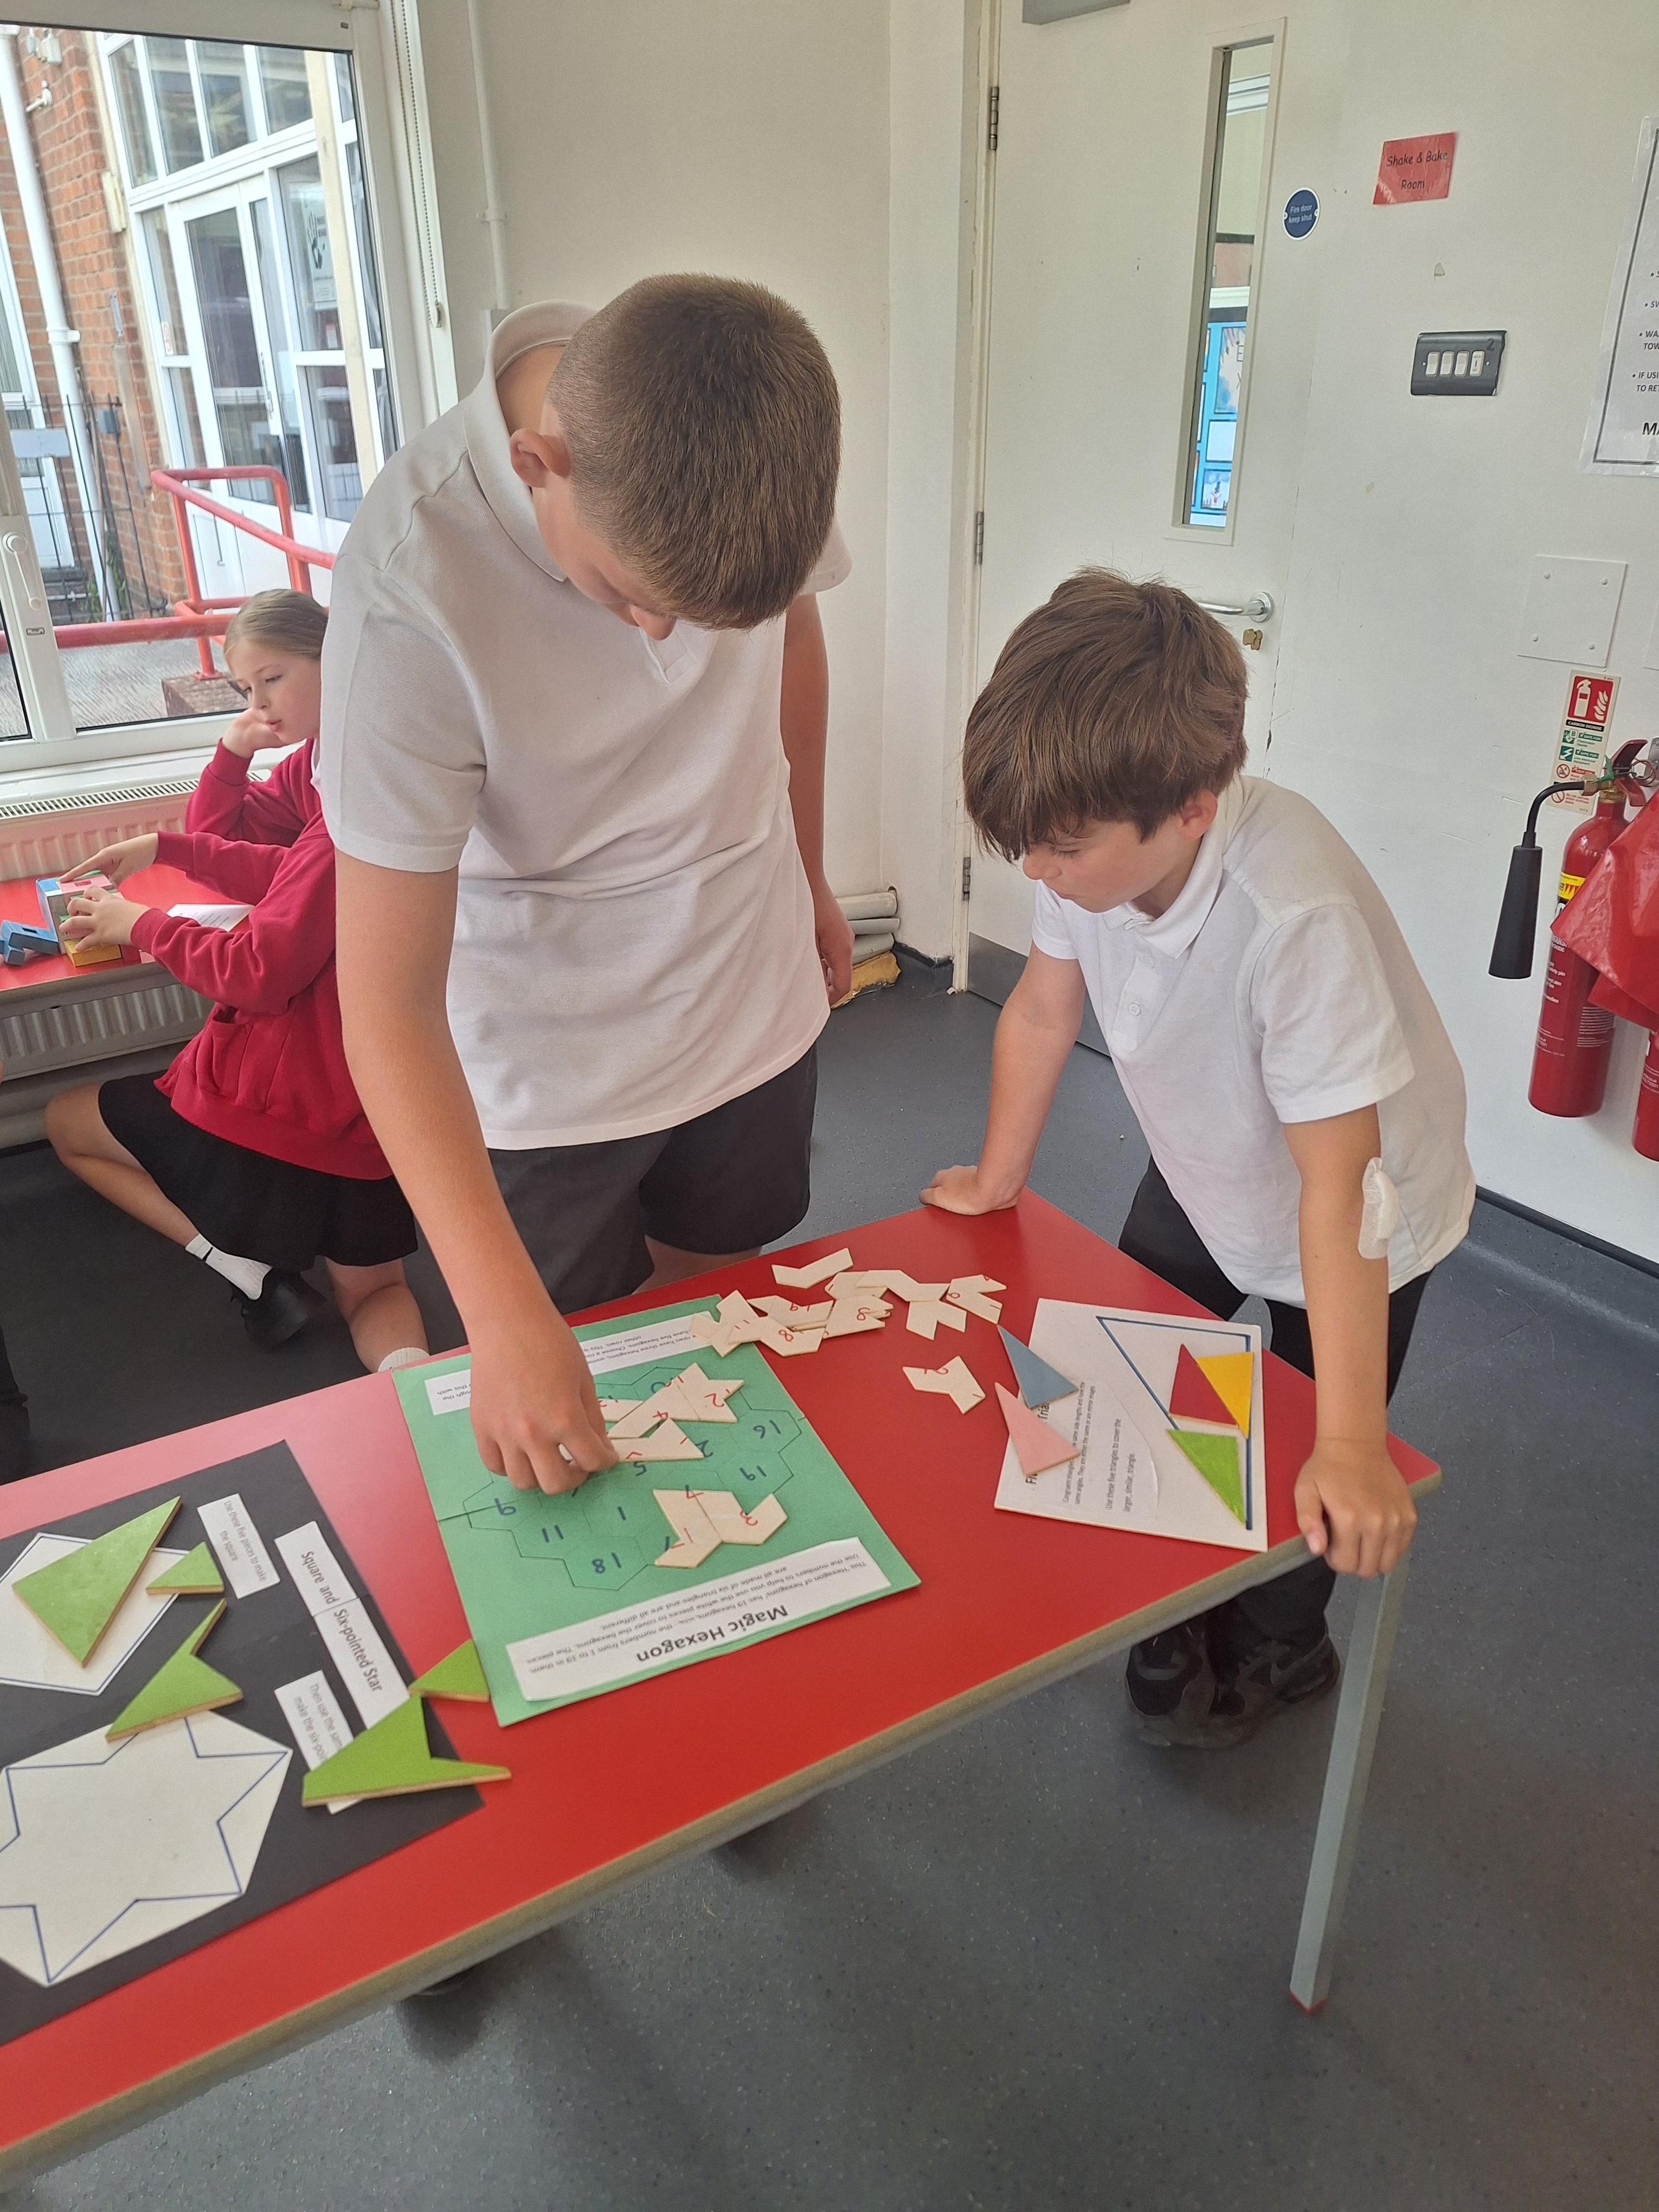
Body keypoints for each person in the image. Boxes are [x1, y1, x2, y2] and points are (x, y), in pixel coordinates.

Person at [318, 276, 850, 1500]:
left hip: (743, 976)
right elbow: (385, 1003)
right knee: (568, 1377)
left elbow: (796, 645)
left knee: (719, 1307)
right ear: (535, 465)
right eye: (628, 595)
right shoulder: (407, 589)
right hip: (547, 1059)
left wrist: (810, 871)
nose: (662, 641)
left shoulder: (756, 440)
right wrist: (501, 1318)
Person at [924, 570, 1475, 1748]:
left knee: (1314, 1433)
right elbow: (1043, 1008)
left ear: (1189, 809)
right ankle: (1171, 1587)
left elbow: (1343, 1186)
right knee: (1135, 1364)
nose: (1037, 872)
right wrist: (998, 1175)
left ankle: (1284, 1640)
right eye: (1027, 847)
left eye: (1059, 850)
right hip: (1207, 1158)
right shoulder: (1084, 842)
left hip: (1361, 1208)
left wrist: (1352, 1444)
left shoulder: (1291, 916)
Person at [43, 590, 428, 1378]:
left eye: (272, 681)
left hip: (277, 1104)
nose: (260, 705)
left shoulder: (350, 797)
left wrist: (139, 924)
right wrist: (171, 844)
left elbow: (257, 971)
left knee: (64, 1119)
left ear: (338, 658)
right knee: (378, 1289)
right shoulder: (377, 774)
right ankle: (420, 1392)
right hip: (370, 1104)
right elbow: (293, 869)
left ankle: (243, 1267)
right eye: (246, 690)